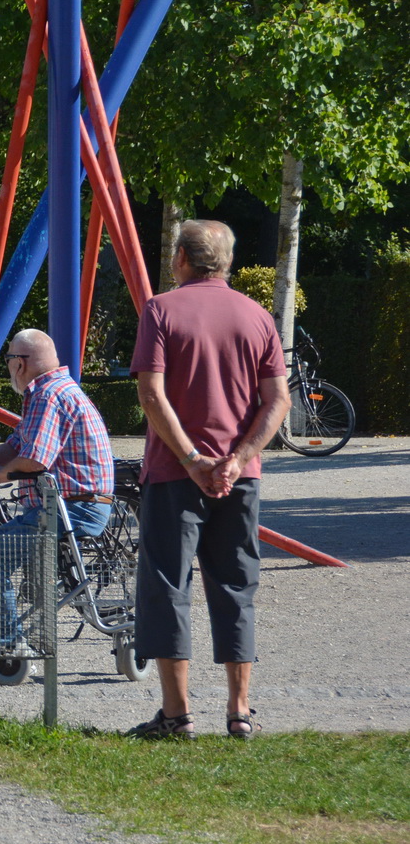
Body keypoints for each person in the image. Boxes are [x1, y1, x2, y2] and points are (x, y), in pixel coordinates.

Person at [128, 220, 290, 739]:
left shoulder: (160, 310)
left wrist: (194, 458)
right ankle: (239, 711)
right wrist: (237, 459)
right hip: (239, 479)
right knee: (236, 587)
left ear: (180, 257)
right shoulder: (258, 316)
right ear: (227, 262)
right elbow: (277, 401)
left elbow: (152, 394)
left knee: (167, 588)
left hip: (175, 474)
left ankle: (176, 715)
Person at [0, 328, 113, 678]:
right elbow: (20, 440)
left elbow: (35, 459)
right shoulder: (55, 389)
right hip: (76, 506)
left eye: (9, 359)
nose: (7, 366)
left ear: (21, 364)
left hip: (74, 509)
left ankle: (6, 644)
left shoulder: (47, 394)